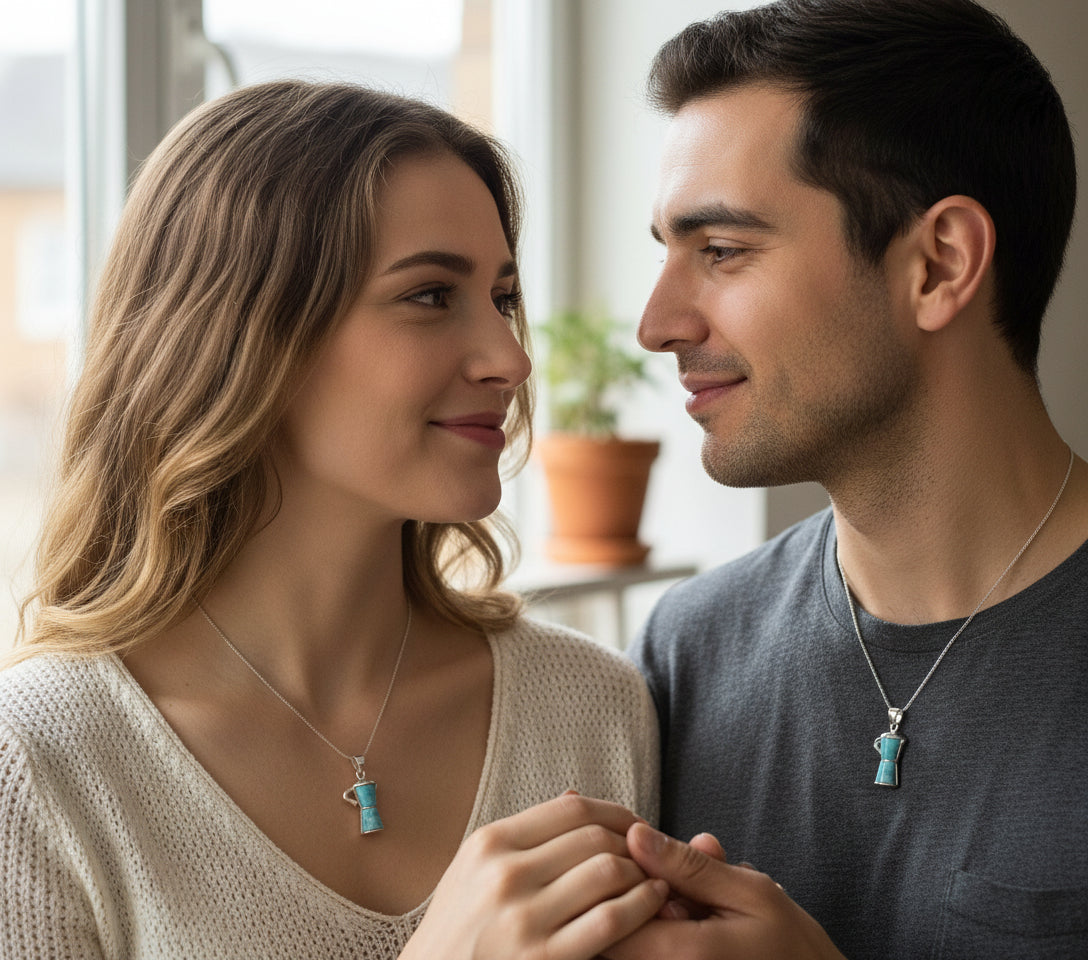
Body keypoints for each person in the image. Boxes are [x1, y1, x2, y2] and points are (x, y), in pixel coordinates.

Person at [0, 80, 667, 959]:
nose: (508, 358)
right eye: (432, 295)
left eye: (502, 298)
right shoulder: (42, 766)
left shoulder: (592, 708)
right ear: (246, 334)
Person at [610, 1, 1088, 958]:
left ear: (938, 264)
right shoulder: (685, 650)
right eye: (664, 253)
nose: (657, 323)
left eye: (723, 251)